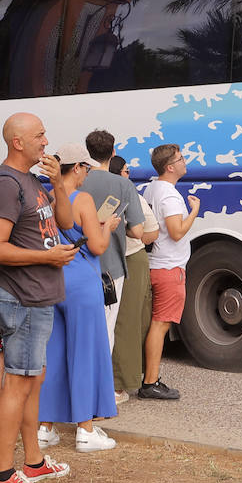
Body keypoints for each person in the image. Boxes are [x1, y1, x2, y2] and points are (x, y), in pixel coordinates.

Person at [0, 113, 76, 483]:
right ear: (18, 142)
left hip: (38, 297)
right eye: (39, 135)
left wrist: (57, 183)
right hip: (20, 297)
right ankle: (2, 477)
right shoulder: (6, 184)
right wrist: (46, 259)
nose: (46, 140)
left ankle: (33, 462)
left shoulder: (34, 181)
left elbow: (66, 223)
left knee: (32, 379)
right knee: (17, 383)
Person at [37, 144, 121, 453]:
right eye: (85, 168)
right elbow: (97, 247)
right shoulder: (82, 199)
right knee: (86, 351)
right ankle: (85, 428)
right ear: (76, 169)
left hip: (53, 278)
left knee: (54, 353)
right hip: (82, 281)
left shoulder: (46, 198)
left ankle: (45, 426)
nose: (87, 173)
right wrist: (107, 227)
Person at [139, 144, 200, 401]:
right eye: (181, 158)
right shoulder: (171, 196)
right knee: (160, 325)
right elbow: (176, 231)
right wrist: (195, 210)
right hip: (169, 267)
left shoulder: (151, 188)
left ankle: (146, 378)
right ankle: (150, 382)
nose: (185, 161)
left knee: (153, 323)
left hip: (154, 263)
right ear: (170, 167)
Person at [79, 131, 147, 354]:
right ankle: (102, 384)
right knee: (106, 327)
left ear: (88, 152)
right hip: (112, 267)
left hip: (80, 263)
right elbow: (138, 231)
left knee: (82, 327)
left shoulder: (78, 181)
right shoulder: (123, 185)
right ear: (113, 151)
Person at [108, 156, 158, 400]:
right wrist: (129, 233)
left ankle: (122, 379)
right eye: (127, 171)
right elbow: (148, 231)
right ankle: (120, 384)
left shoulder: (96, 193)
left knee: (121, 321)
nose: (130, 175)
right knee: (128, 322)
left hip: (109, 259)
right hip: (130, 258)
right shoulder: (131, 195)